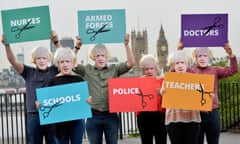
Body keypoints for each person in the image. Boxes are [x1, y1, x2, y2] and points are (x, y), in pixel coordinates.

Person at [73, 34, 135, 144]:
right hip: (93, 116)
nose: (100, 58)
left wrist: (126, 45)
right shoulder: (87, 70)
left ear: (107, 57)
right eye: (97, 56)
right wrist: (77, 47)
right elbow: (72, 64)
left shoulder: (114, 69)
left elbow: (131, 64)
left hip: (110, 115)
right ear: (93, 57)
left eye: (103, 55)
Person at [1, 33, 59, 144]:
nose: (41, 60)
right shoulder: (28, 72)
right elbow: (13, 61)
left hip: (51, 114)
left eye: (44, 58)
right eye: (39, 58)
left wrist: (56, 42)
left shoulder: (53, 70)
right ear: (34, 60)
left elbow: (65, 57)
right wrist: (7, 45)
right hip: (33, 116)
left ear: (49, 59)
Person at [178, 42, 238, 144]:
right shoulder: (190, 71)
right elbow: (177, 70)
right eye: (199, 56)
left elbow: (233, 70)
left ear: (209, 57)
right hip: (196, 114)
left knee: (213, 142)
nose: (202, 58)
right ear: (195, 58)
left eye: (205, 55)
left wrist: (230, 55)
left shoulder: (215, 70)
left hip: (212, 113)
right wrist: (179, 51)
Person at [45, 47, 85, 144]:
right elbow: (48, 103)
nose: (65, 64)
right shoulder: (52, 81)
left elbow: (83, 100)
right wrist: (41, 104)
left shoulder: (79, 79)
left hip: (76, 122)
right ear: (58, 64)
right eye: (62, 62)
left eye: (68, 61)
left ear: (72, 63)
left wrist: (87, 100)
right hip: (59, 124)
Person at [160, 50, 201, 144]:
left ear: (187, 64)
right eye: (177, 63)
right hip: (174, 119)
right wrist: (163, 91)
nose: (180, 65)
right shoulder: (168, 79)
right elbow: (163, 94)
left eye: (182, 62)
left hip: (192, 118)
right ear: (173, 65)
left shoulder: (194, 79)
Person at [136, 54, 167, 144]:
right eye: (146, 69)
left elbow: (170, 99)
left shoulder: (163, 81)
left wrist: (162, 93)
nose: (149, 71)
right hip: (143, 116)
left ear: (156, 68)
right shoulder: (138, 82)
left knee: (161, 141)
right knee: (146, 141)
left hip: (160, 115)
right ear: (143, 70)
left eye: (152, 68)